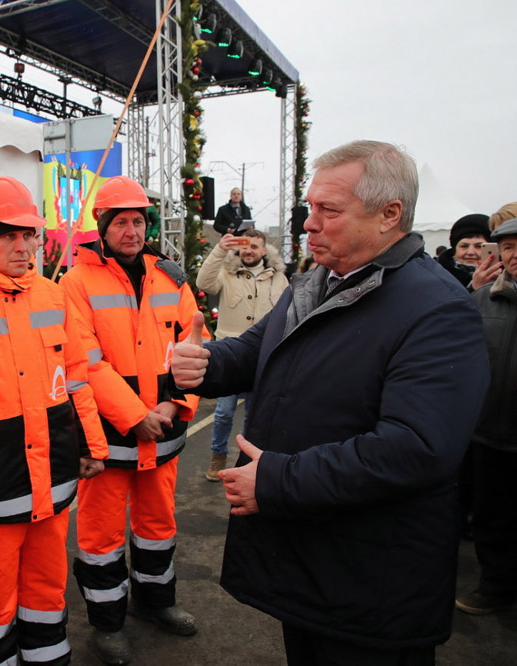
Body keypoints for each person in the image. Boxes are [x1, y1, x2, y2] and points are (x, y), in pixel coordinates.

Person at [170, 140, 489, 665]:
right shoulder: (316, 282)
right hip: (310, 565)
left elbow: (417, 447)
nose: (307, 225)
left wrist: (276, 480)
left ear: (389, 215)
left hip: (371, 582)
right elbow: (260, 350)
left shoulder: (437, 310)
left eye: (328, 211)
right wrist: (209, 363)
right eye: (309, 208)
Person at [0, 176, 108, 666]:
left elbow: (77, 377)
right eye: (8, 234)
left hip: (52, 488)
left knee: (47, 595)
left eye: (28, 233)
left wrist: (92, 446)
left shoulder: (53, 297)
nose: (22, 245)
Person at [59, 175, 204, 665]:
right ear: (102, 228)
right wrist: (136, 415)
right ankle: (107, 624)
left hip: (163, 434)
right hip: (110, 442)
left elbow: (194, 347)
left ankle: (155, 603)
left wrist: (174, 405)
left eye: (138, 221)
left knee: (158, 526)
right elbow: (86, 362)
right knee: (100, 538)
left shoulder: (172, 277)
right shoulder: (75, 283)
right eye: (120, 221)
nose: (131, 230)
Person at [455, 217, 517, 615]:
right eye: (509, 247)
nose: (515, 254)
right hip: (491, 432)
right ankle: (496, 588)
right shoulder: (483, 299)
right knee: (494, 518)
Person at [194, 228, 287, 482]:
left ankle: (248, 463)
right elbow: (203, 283)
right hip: (230, 356)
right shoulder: (226, 272)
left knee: (254, 415)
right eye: (245, 246)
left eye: (255, 246)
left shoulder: (279, 278)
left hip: (264, 356)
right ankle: (218, 456)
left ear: (264, 251)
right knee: (224, 413)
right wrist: (220, 249)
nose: (249, 251)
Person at [436, 213, 497, 289]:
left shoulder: (506, 276)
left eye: (478, 246)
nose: (470, 252)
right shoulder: (437, 277)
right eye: (464, 246)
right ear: (455, 249)